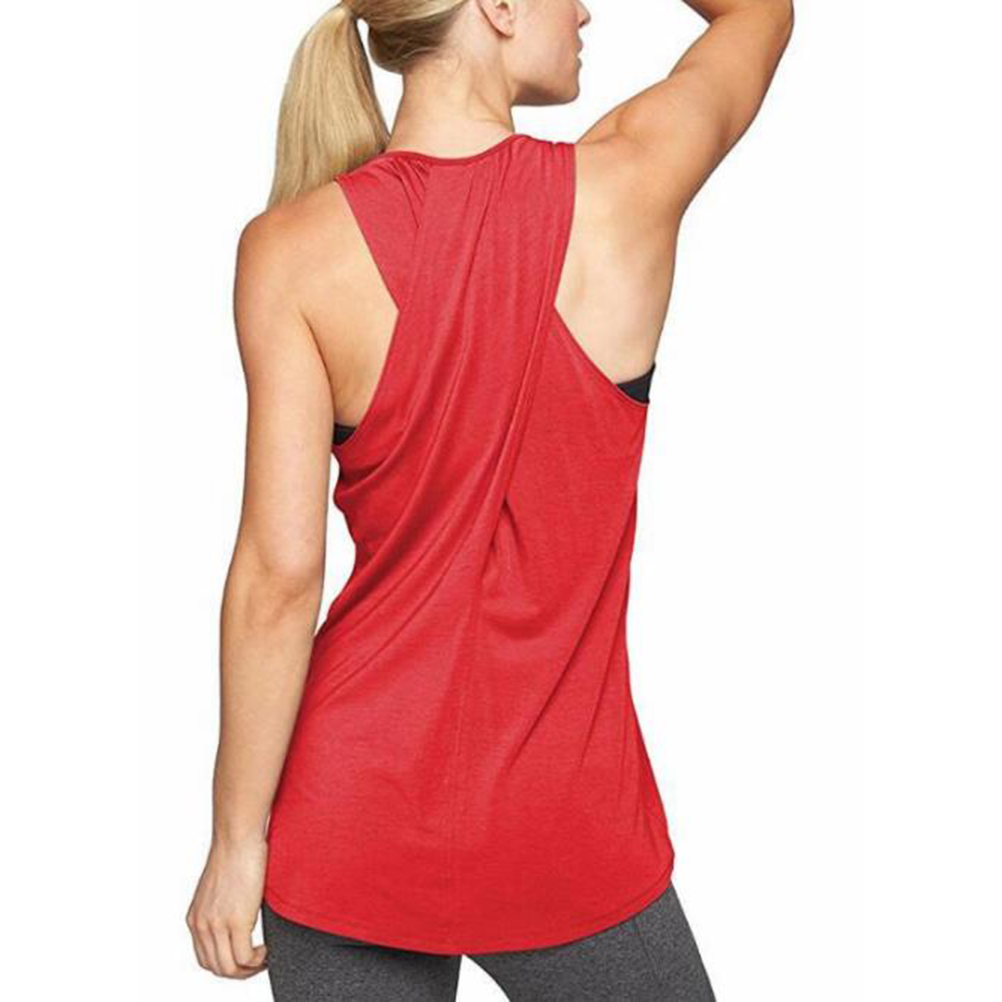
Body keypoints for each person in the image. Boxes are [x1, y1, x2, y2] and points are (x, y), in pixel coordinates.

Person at [185, 0, 793, 997]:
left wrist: (235, 841)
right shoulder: (631, 182)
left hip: (351, 815)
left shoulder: (290, 251)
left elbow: (278, 579)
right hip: (566, 816)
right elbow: (760, 12)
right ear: (498, 6)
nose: (586, 9)